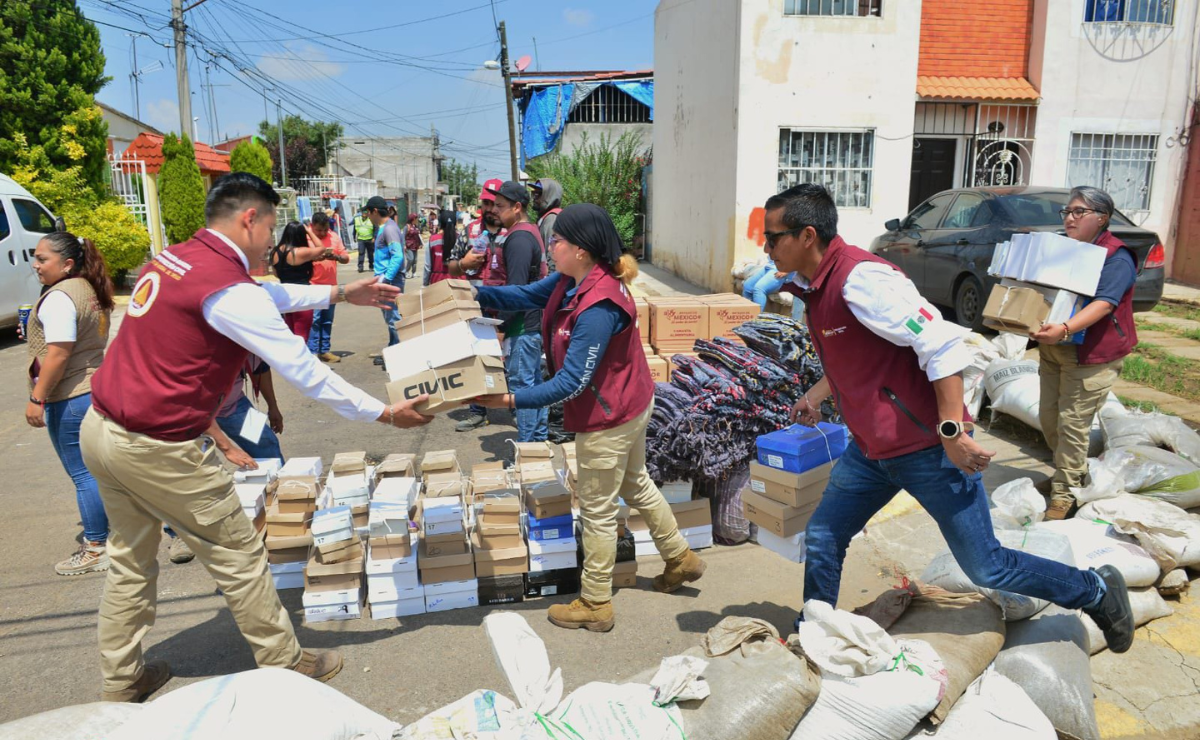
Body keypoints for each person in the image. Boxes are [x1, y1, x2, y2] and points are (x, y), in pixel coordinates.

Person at [80, 173, 434, 704]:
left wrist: (338, 291)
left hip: (103, 430)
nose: (275, 241)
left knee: (130, 560)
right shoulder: (225, 285)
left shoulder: (178, 258)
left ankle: (120, 680)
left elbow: (262, 293)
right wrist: (383, 413)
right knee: (239, 552)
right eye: (270, 225)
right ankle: (286, 662)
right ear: (250, 218)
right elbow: (302, 369)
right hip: (159, 447)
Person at [762, 183, 1134, 653]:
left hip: (927, 449)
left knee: (987, 567)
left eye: (773, 237)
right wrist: (817, 394)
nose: (767, 246)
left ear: (807, 235)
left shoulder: (863, 280)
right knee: (823, 535)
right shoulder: (818, 287)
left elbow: (940, 344)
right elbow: (858, 358)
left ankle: (1096, 590)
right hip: (870, 451)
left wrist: (951, 431)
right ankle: (816, 628)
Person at [470, 203, 707, 631]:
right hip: (629, 402)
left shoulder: (598, 306)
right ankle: (680, 557)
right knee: (635, 482)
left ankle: (596, 603)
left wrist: (508, 400)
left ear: (581, 250)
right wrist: (475, 294)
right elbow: (527, 296)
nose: (551, 245)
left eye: (557, 240)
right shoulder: (572, 280)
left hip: (608, 415)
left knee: (597, 508)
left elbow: (571, 385)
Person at [1030, 186, 1139, 520]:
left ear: (1101, 218)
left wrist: (1064, 329)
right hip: (1055, 349)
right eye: (1067, 211)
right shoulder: (1067, 249)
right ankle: (1068, 473)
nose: (1070, 218)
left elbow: (1104, 304)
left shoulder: (1116, 257)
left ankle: (1064, 495)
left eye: (1079, 212)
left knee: (1072, 425)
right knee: (1050, 418)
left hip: (1091, 355)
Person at [24, 230, 114, 576]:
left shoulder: (61, 296)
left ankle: (95, 546)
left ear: (67, 263)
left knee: (84, 475)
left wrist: (37, 398)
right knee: (102, 470)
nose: (35, 265)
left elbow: (59, 354)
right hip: (96, 388)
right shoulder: (86, 287)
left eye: (42, 259)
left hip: (72, 396)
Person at [459, 181, 548, 442]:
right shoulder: (525, 233)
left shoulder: (519, 238)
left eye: (500, 206)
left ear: (517, 207)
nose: (494, 211)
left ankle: (528, 446)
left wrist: (500, 327)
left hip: (521, 325)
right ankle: (538, 442)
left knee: (522, 389)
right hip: (527, 324)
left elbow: (516, 291)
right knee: (533, 387)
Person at [449, 179, 506, 431]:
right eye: (485, 202)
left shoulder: (513, 231)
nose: (489, 208)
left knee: (508, 356)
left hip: (507, 302)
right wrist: (464, 263)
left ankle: (513, 406)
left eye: (494, 203)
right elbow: (450, 265)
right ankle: (478, 411)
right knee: (476, 357)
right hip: (475, 304)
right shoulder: (470, 230)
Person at [214, 355, 285, 461]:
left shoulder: (249, 346)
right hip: (196, 409)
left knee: (265, 442)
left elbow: (259, 369)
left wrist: (273, 407)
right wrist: (228, 449)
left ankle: (275, 476)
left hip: (233, 404)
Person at [306, 211, 350, 363]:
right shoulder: (305, 238)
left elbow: (346, 257)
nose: (323, 233)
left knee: (327, 320)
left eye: (325, 230)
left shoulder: (334, 237)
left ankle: (324, 350)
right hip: (312, 286)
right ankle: (311, 352)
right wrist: (313, 257)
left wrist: (336, 257)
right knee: (314, 320)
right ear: (312, 226)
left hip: (331, 287)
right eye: (319, 230)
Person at [271, 222, 324, 340]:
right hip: (302, 296)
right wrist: (309, 231)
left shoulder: (275, 252)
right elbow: (321, 248)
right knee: (301, 336)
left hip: (285, 295)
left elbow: (275, 273)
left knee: (290, 333)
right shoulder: (300, 252)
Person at [366, 195, 406, 351]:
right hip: (386, 280)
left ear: (375, 211)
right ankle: (393, 347)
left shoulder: (389, 229)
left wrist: (386, 279)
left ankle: (399, 352)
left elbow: (397, 255)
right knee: (390, 317)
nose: (367, 217)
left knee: (394, 319)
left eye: (368, 213)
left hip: (390, 281)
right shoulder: (387, 227)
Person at [531, 178, 563, 271]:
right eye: (534, 193)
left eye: (539, 194)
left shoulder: (551, 219)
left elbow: (553, 254)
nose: (534, 198)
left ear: (550, 196)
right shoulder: (545, 217)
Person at [424, 210, 456, 286]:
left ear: (440, 223)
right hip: (458, 283)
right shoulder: (462, 239)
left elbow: (427, 267)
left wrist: (425, 284)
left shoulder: (432, 241)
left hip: (437, 282)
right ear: (455, 223)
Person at [353, 206, 375, 273]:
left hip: (370, 239)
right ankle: (360, 267)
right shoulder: (357, 219)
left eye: (366, 212)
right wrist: (354, 236)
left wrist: (374, 237)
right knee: (361, 253)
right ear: (361, 213)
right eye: (363, 212)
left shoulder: (371, 219)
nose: (365, 213)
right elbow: (354, 229)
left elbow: (375, 229)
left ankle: (371, 266)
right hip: (361, 239)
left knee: (370, 254)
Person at [405, 213, 422, 279]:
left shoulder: (416, 226)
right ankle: (406, 272)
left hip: (415, 245)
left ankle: (414, 273)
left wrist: (420, 243)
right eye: (416, 218)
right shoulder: (407, 227)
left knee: (415, 260)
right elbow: (403, 236)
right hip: (409, 246)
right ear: (413, 219)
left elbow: (418, 236)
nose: (417, 220)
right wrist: (404, 245)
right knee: (410, 259)